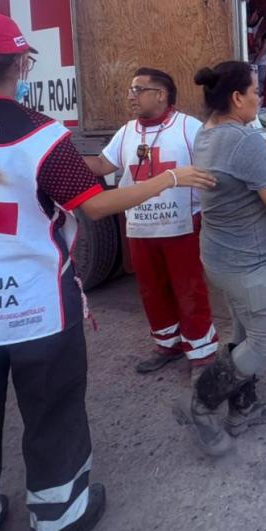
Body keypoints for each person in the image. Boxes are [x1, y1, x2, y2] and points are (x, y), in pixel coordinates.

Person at [0, 10, 215, 531]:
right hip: (34, 310)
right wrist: (169, 178)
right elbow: (95, 205)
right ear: (20, 63)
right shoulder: (40, 135)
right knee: (52, 412)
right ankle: (60, 513)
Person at [177, 61, 266, 455]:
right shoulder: (243, 141)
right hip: (249, 264)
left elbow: (236, 163)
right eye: (256, 92)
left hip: (225, 257)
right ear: (237, 97)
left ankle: (244, 406)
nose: (260, 99)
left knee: (244, 333)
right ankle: (203, 402)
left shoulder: (209, 134)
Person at [85, 68, 219, 375]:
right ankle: (168, 344)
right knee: (150, 289)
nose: (130, 96)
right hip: (140, 228)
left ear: (160, 94)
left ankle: (201, 354)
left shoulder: (189, 127)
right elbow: (105, 164)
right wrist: (60, 158)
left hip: (181, 227)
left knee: (189, 289)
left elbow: (213, 168)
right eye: (131, 90)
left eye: (137, 90)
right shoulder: (128, 130)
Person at [246, 3, 266, 95]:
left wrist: (255, 63)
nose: (247, 20)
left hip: (263, 60)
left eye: (249, 17)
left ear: (255, 13)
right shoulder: (243, 24)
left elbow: (265, 46)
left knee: (260, 81)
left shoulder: (263, 24)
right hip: (249, 59)